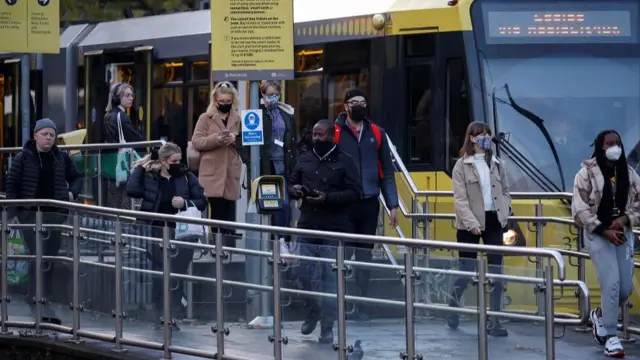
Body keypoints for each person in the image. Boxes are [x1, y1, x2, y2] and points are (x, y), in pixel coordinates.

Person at [289, 119, 362, 344]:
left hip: (334, 226)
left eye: (321, 135)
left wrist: (328, 198)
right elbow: (290, 185)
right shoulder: (305, 159)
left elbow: (355, 192)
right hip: (308, 224)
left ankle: (327, 327)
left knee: (330, 278)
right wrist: (296, 190)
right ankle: (312, 310)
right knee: (301, 272)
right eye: (314, 134)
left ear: (332, 136)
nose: (317, 139)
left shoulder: (346, 161)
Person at [6, 118, 84, 323]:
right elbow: (12, 186)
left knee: (49, 257)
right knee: (36, 256)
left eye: (52, 135)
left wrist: (71, 195)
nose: (49, 138)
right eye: (45, 134)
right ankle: (35, 299)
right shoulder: (23, 158)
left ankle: (44, 298)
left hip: (55, 216)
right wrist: (15, 214)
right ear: (35, 135)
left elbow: (77, 177)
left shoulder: (61, 158)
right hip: (30, 216)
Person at [572, 129, 640, 358]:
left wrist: (624, 220)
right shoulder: (585, 174)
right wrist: (604, 229)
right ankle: (612, 337)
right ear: (600, 146)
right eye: (609, 143)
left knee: (624, 288)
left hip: (622, 233)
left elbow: (639, 203)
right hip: (598, 233)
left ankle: (599, 315)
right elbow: (579, 209)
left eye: (617, 143)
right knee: (610, 284)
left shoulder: (629, 173)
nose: (614, 147)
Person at [126, 142, 207, 329]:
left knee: (176, 275)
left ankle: (172, 315)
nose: (178, 164)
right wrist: (140, 168)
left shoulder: (187, 177)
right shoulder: (151, 178)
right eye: (174, 161)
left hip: (183, 235)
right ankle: (161, 315)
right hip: (155, 232)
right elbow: (132, 191)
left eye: (180, 160)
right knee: (160, 274)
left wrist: (185, 203)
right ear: (163, 162)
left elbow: (202, 201)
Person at [334, 88, 399, 320]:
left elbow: (387, 172)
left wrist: (392, 204)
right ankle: (338, 304)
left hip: (369, 202)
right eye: (354, 102)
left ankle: (361, 305)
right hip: (343, 203)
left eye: (363, 101)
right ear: (346, 107)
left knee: (364, 256)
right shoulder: (335, 132)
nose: (360, 105)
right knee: (341, 254)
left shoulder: (376, 133)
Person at [449, 121, 510, 337]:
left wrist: (506, 212)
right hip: (469, 224)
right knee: (467, 270)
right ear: (471, 138)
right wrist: (472, 223)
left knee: (496, 272)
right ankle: (452, 306)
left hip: (494, 221)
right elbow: (460, 199)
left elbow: (505, 190)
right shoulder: (461, 166)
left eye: (487, 133)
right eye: (480, 134)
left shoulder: (497, 163)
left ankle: (495, 320)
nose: (485, 137)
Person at [191, 81, 243, 243]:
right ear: (215, 100)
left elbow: (247, 144)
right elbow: (196, 142)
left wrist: (235, 140)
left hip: (230, 171)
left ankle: (227, 246)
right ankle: (218, 246)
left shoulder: (238, 118)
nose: (225, 105)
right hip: (212, 173)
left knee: (228, 210)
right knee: (217, 211)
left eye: (228, 102)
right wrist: (217, 139)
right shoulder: (205, 118)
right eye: (222, 102)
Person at [260, 80, 297, 241]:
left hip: (283, 164)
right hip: (266, 166)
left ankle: (282, 240)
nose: (273, 98)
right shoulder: (258, 113)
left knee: (284, 204)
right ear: (263, 94)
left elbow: (291, 140)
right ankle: (268, 242)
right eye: (270, 95)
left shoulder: (286, 113)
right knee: (268, 203)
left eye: (276, 94)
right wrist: (251, 162)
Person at [97, 82, 143, 210]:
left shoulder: (107, 115)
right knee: (126, 198)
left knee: (114, 199)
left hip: (112, 164)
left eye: (132, 95)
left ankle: (113, 226)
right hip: (124, 163)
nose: (131, 98)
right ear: (118, 98)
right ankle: (125, 225)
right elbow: (134, 138)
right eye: (126, 95)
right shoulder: (121, 116)